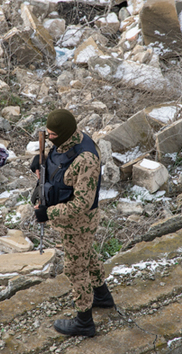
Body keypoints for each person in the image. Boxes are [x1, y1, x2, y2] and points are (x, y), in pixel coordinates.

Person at [31, 109, 115, 337]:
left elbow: (82, 204)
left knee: (76, 269)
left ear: (64, 133)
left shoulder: (85, 160)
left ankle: (84, 321)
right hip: (71, 220)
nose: (49, 138)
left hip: (79, 222)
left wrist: (49, 213)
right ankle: (102, 296)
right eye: (47, 134)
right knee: (85, 254)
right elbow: (59, 162)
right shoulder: (66, 140)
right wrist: (42, 163)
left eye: (52, 134)